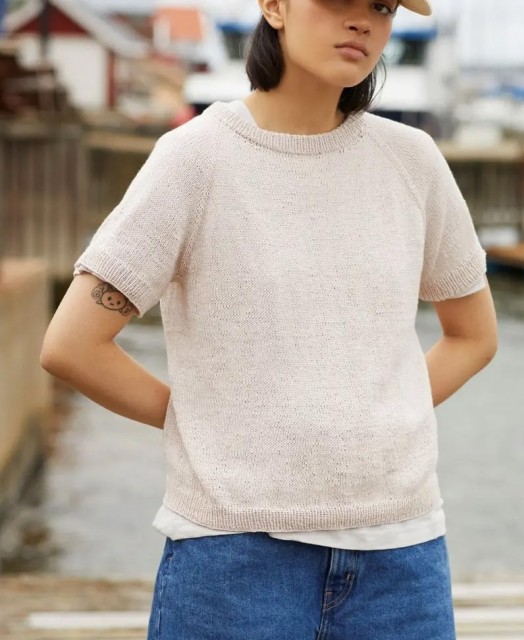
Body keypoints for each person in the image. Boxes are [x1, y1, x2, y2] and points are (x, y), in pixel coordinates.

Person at [40, 0, 498, 636]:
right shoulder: (195, 158)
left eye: (382, 5)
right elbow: (72, 345)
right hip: (233, 558)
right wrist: (203, 422)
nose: (362, 20)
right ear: (274, 6)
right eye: (338, 0)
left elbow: (474, 336)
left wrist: (389, 414)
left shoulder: (412, 159)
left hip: (402, 557)